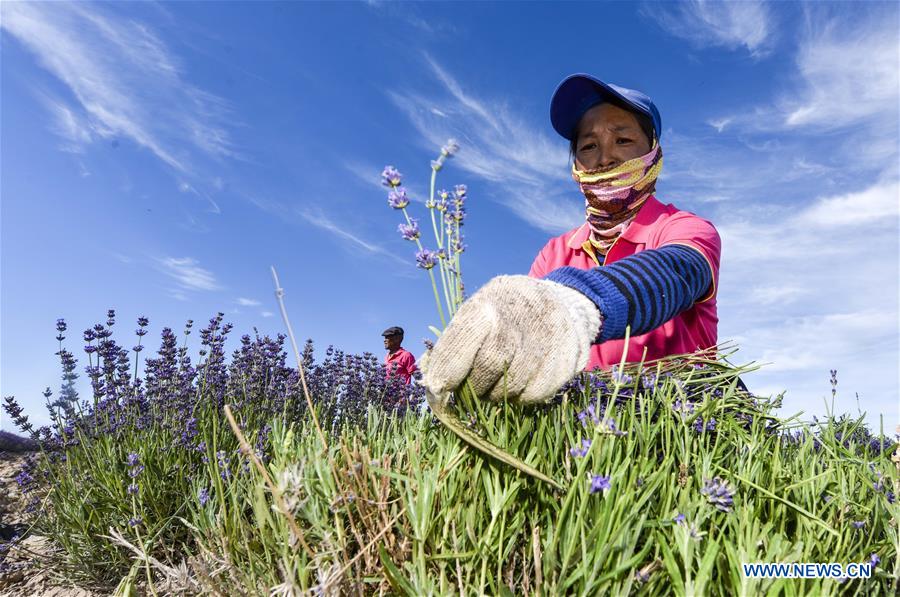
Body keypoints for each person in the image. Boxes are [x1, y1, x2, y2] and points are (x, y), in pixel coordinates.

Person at [421, 73, 721, 403]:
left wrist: (577, 303)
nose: (605, 158)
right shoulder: (555, 252)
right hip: (583, 428)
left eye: (622, 141)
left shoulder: (684, 228)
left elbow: (678, 270)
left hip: (681, 420)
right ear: (576, 165)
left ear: (653, 152)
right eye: (589, 146)